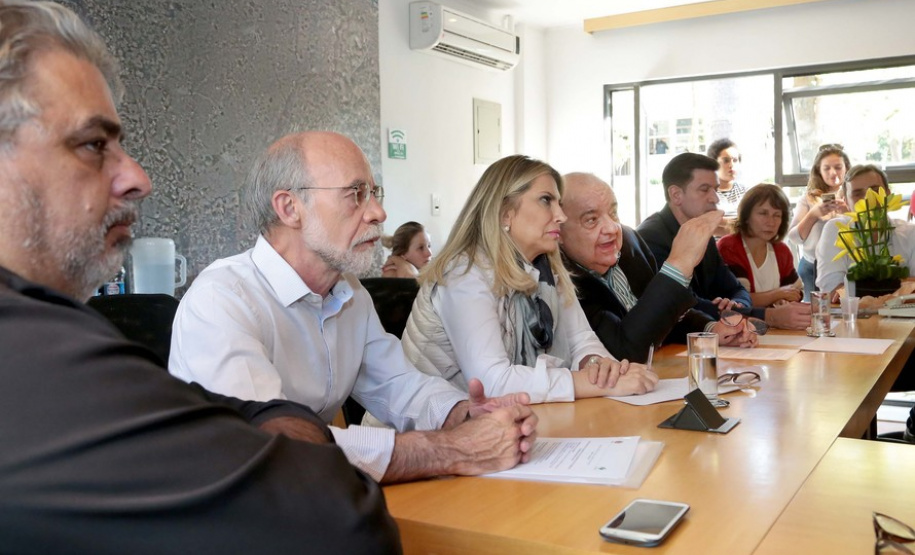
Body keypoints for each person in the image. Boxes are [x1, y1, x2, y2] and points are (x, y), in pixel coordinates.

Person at [0, 2, 400, 553]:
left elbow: (249, 418)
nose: (138, 177)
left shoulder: (55, 332)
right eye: (93, 144)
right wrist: (291, 441)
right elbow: (342, 521)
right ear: (288, 207)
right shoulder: (29, 351)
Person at [169, 131, 537, 484]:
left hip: (306, 497)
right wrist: (453, 449)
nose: (379, 212)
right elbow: (273, 445)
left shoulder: (350, 294)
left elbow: (399, 385)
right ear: (290, 208)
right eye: (356, 194)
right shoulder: (222, 299)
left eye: (375, 193)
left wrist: (465, 415)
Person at [401, 155, 659, 403]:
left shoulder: (546, 268)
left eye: (558, 203)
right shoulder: (463, 273)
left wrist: (598, 367)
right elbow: (491, 382)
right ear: (505, 213)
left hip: (509, 420)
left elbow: (582, 340)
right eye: (546, 200)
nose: (561, 216)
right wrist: (594, 384)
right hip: (432, 426)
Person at [558, 173, 757, 363]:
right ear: (558, 232)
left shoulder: (630, 241)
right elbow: (623, 351)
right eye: (591, 220)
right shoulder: (559, 280)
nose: (612, 228)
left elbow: (663, 314)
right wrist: (678, 265)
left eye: (613, 213)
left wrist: (711, 330)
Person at [637, 153, 811, 330]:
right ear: (676, 195)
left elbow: (736, 289)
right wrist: (768, 316)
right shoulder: (651, 238)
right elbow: (682, 305)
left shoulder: (703, 233)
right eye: (704, 189)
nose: (715, 198)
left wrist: (735, 304)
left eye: (715, 189)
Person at [816, 164, 915, 296]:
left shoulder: (910, 232)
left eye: (875, 190)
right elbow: (831, 289)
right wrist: (899, 285)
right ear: (847, 202)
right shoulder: (836, 229)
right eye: (857, 194)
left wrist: (857, 286)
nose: (868, 198)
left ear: (888, 194)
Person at [717, 184, 803, 314]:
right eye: (763, 213)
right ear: (746, 216)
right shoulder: (729, 247)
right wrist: (778, 294)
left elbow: (797, 292)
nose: (771, 222)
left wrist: (783, 300)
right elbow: (738, 301)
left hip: (776, 323)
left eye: (777, 215)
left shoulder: (781, 250)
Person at [786, 144, 850, 301]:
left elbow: (865, 231)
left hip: (846, 265)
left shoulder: (853, 196)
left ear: (847, 169)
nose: (833, 172)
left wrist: (847, 213)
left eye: (838, 167)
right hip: (811, 265)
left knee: (846, 306)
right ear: (818, 171)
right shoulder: (808, 199)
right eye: (826, 168)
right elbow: (793, 238)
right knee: (815, 311)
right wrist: (813, 214)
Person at [707, 138, 747, 209]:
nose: (731, 165)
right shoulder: (706, 194)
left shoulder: (746, 192)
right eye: (726, 160)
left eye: (735, 160)